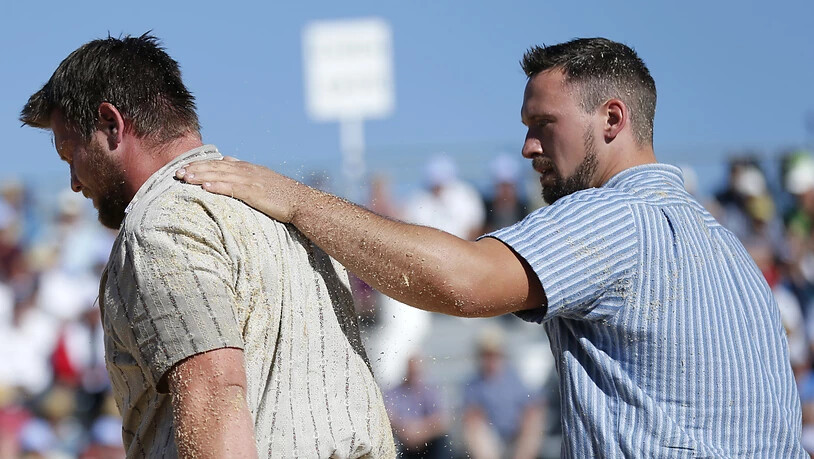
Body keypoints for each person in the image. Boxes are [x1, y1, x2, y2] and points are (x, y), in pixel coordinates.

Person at [176, 37, 805, 456]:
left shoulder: (619, 217)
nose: (529, 148)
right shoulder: (723, 245)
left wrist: (292, 200)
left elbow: (463, 282)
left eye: (543, 127)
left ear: (612, 120)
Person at [20, 33, 394, 458]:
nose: (72, 182)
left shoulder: (160, 224)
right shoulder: (284, 209)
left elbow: (212, 396)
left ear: (111, 123)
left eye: (71, 154)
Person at [461, 328, 542, 459]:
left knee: (533, 421)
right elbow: (472, 416)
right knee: (475, 428)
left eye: (494, 354)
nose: (491, 359)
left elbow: (532, 408)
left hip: (516, 435)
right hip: (490, 439)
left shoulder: (516, 378)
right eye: (486, 355)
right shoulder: (473, 383)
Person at [384, 355, 451, 459]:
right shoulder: (395, 392)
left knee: (442, 440)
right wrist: (406, 431)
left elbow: (442, 420)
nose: (414, 376)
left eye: (416, 373)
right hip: (403, 440)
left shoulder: (430, 392)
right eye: (412, 372)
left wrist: (420, 432)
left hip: (427, 440)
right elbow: (389, 416)